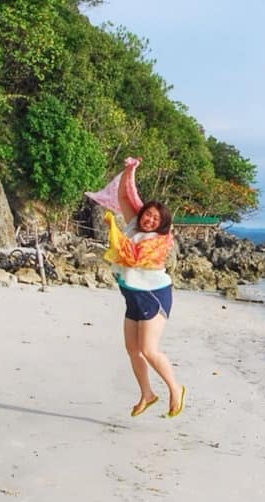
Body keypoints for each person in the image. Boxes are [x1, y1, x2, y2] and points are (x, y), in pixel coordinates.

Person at [104, 157, 185, 418]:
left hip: (153, 296)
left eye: (155, 218)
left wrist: (112, 230)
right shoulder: (132, 225)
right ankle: (147, 394)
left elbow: (131, 255)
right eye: (148, 214)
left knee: (149, 350)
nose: (149, 220)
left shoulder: (157, 240)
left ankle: (175, 389)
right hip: (132, 297)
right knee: (132, 349)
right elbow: (127, 197)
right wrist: (130, 170)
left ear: (161, 223)